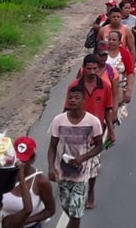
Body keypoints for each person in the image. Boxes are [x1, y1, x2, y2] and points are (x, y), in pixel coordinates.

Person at [48, 85, 104, 228]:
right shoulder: (58, 120)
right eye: (70, 97)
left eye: (76, 98)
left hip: (81, 175)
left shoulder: (93, 122)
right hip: (63, 174)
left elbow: (99, 146)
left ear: (84, 100)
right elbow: (52, 146)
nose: (72, 100)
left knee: (76, 213)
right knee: (67, 207)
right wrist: (51, 168)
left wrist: (82, 158)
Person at [70, 54, 116, 211]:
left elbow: (108, 110)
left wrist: (110, 131)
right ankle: (75, 192)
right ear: (83, 68)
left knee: (93, 167)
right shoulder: (74, 87)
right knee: (75, 164)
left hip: (95, 136)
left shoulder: (105, 86)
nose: (91, 71)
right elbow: (66, 110)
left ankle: (91, 192)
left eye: (94, 68)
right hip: (76, 134)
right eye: (88, 68)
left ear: (99, 69)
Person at [1, 137, 57, 228]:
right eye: (16, 158)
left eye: (23, 160)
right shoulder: (4, 172)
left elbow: (50, 210)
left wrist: (22, 221)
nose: (19, 163)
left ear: (32, 159)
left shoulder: (41, 182)